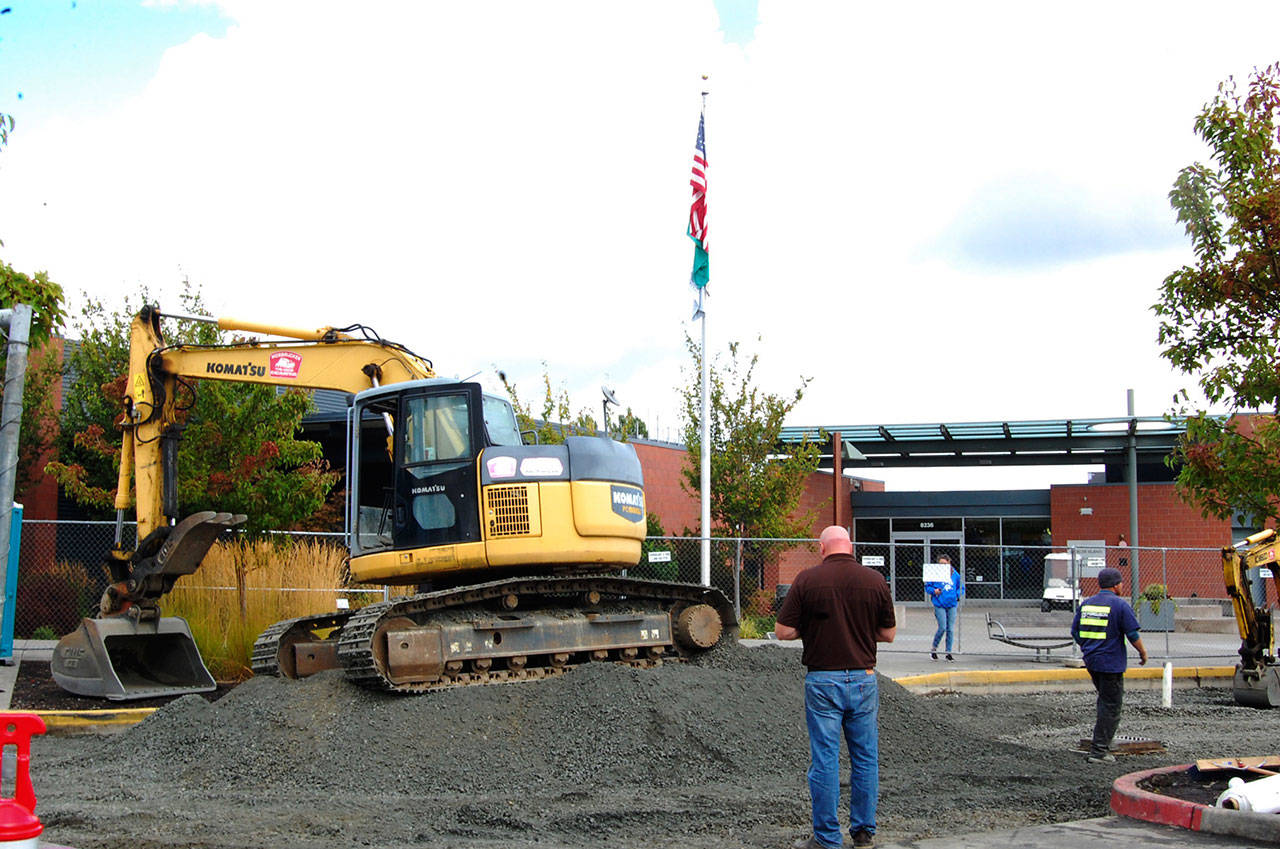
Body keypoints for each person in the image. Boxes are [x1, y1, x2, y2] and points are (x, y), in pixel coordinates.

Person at [775, 526, 897, 849]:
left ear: (822, 548)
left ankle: (828, 838)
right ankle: (863, 833)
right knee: (866, 758)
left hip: (822, 681)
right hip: (863, 678)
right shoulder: (875, 581)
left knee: (825, 760)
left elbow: (783, 631)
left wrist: (814, 630)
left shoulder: (807, 580)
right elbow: (889, 634)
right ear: (850, 546)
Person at [1071, 566, 1148, 763]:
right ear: (1116, 585)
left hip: (1092, 661)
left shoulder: (1087, 604)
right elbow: (1132, 634)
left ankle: (1101, 743)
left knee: (1105, 701)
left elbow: (1075, 632)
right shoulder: (1119, 605)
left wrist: (1089, 648)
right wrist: (1143, 652)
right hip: (1111, 664)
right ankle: (1099, 751)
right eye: (1121, 582)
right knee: (1111, 706)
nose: (1122, 585)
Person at [925, 553, 964, 661]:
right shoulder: (934, 573)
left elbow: (961, 587)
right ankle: (934, 648)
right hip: (939, 604)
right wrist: (934, 591)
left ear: (949, 563)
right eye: (941, 564)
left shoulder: (955, 574)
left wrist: (957, 595)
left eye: (945, 564)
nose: (943, 566)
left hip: (952, 604)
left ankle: (948, 652)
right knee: (942, 627)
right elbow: (928, 587)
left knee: (950, 629)